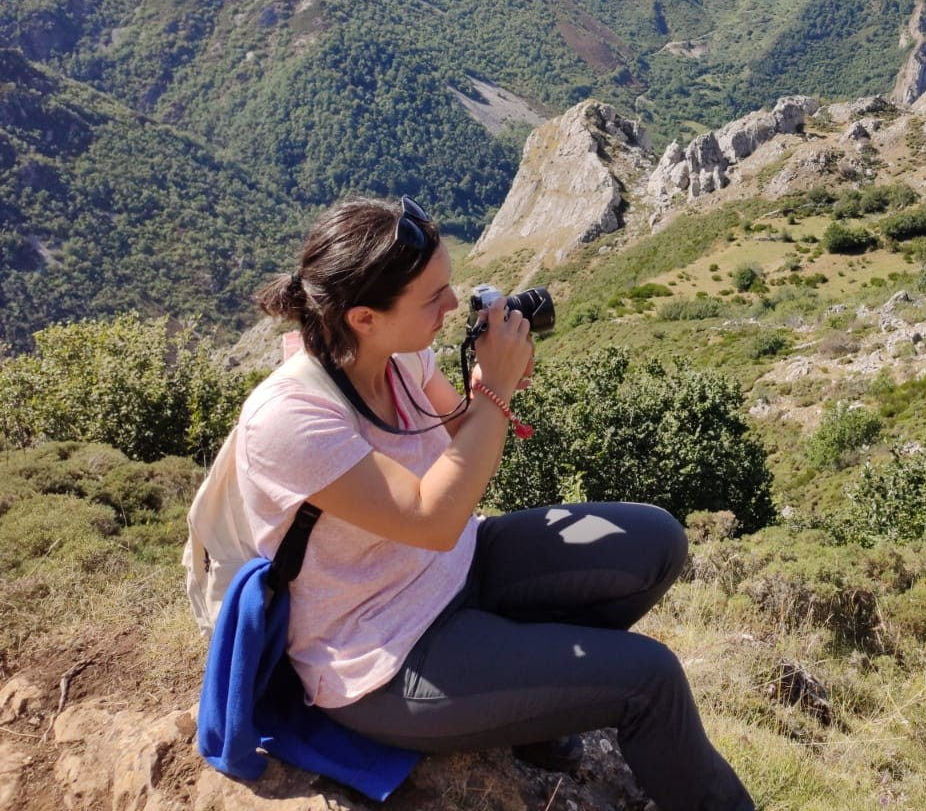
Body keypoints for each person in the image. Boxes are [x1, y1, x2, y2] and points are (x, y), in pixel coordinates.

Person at [242, 194, 754, 811]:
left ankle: (530, 709)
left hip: (459, 565)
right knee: (650, 680)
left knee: (656, 542)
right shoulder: (293, 418)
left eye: (450, 286)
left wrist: (487, 387)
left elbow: (460, 437)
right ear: (363, 318)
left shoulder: (400, 356)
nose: (453, 306)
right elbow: (430, 519)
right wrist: (498, 393)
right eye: (434, 299)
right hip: (385, 655)